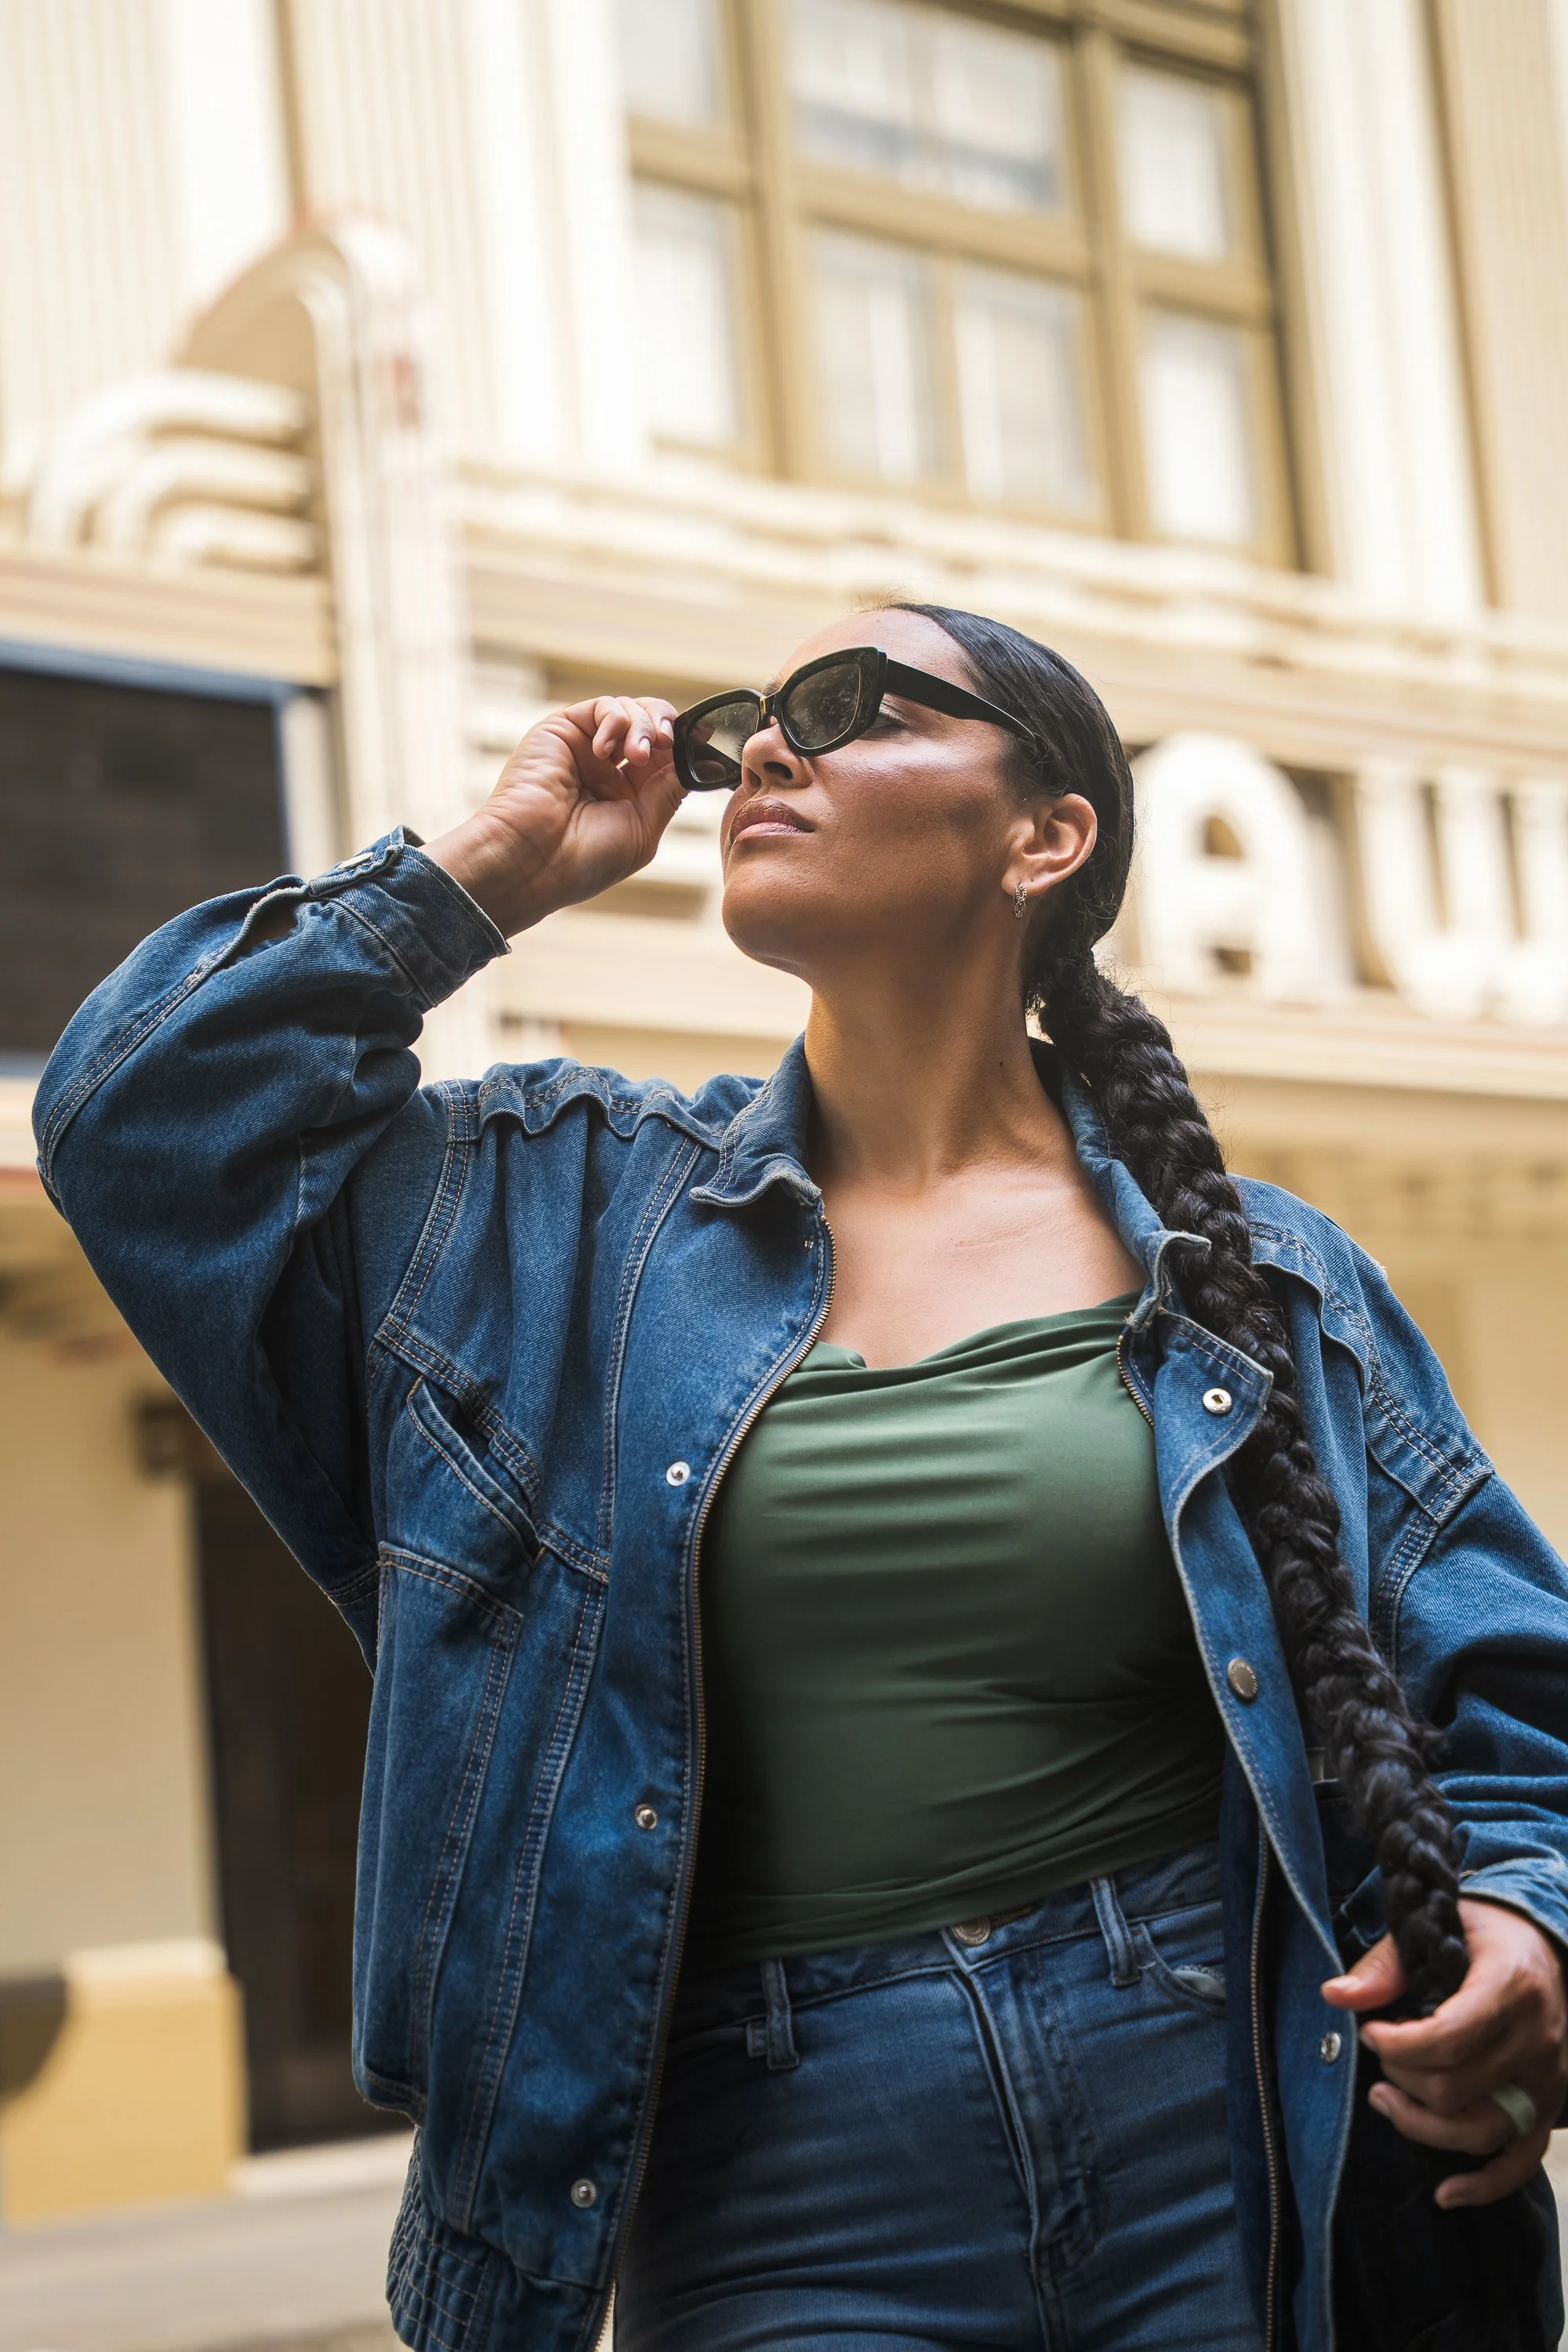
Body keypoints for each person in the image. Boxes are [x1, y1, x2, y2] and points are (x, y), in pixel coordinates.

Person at [33, 604, 1568, 2352]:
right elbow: (138, 1117)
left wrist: (1531, 1920)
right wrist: (484, 874)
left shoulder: (1263, 1278)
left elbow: (1513, 1687)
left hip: (1220, 2101)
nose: (768, 745)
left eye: (849, 710)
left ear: (1042, 836)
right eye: (755, 717)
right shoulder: (561, 1214)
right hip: (773, 2159)